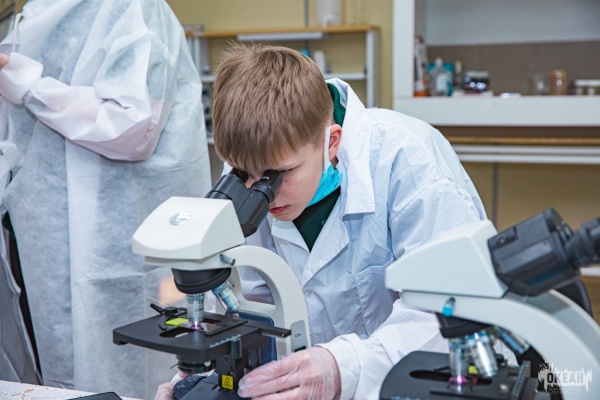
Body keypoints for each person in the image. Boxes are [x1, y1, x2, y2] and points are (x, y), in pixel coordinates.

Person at [0, 0, 211, 398]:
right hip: (44, 235)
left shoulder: (134, 9)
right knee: (63, 366)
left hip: (123, 235)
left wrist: (30, 85)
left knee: (136, 366)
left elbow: (133, 126)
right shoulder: (37, 12)